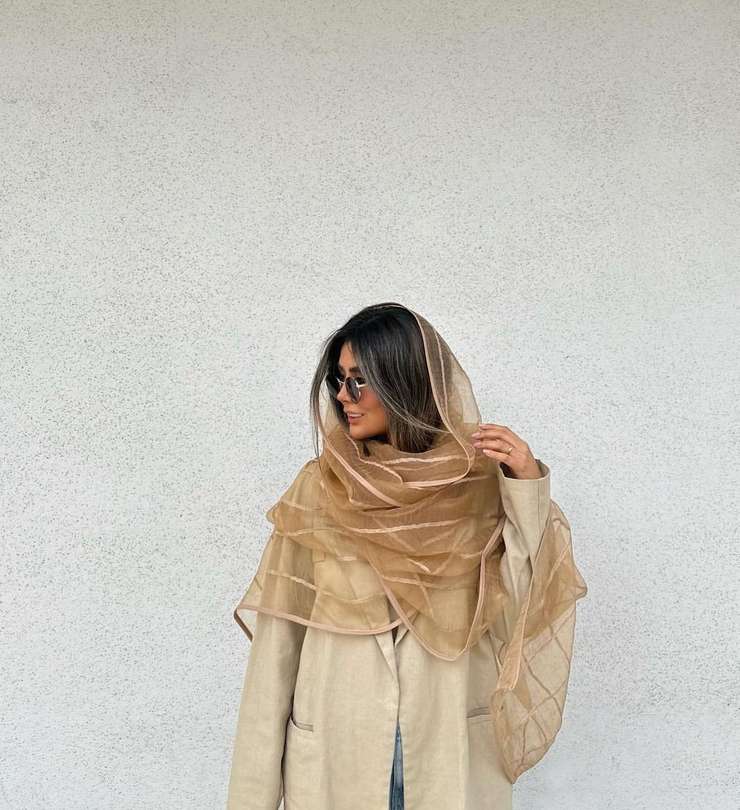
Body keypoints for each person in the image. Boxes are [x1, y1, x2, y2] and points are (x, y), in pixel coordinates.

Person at [226, 302, 587, 810]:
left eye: (359, 381)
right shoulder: (321, 491)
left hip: (448, 755)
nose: (343, 396)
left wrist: (525, 486)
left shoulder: (476, 489)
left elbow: (523, 611)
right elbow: (276, 652)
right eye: (338, 380)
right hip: (336, 756)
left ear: (403, 383)